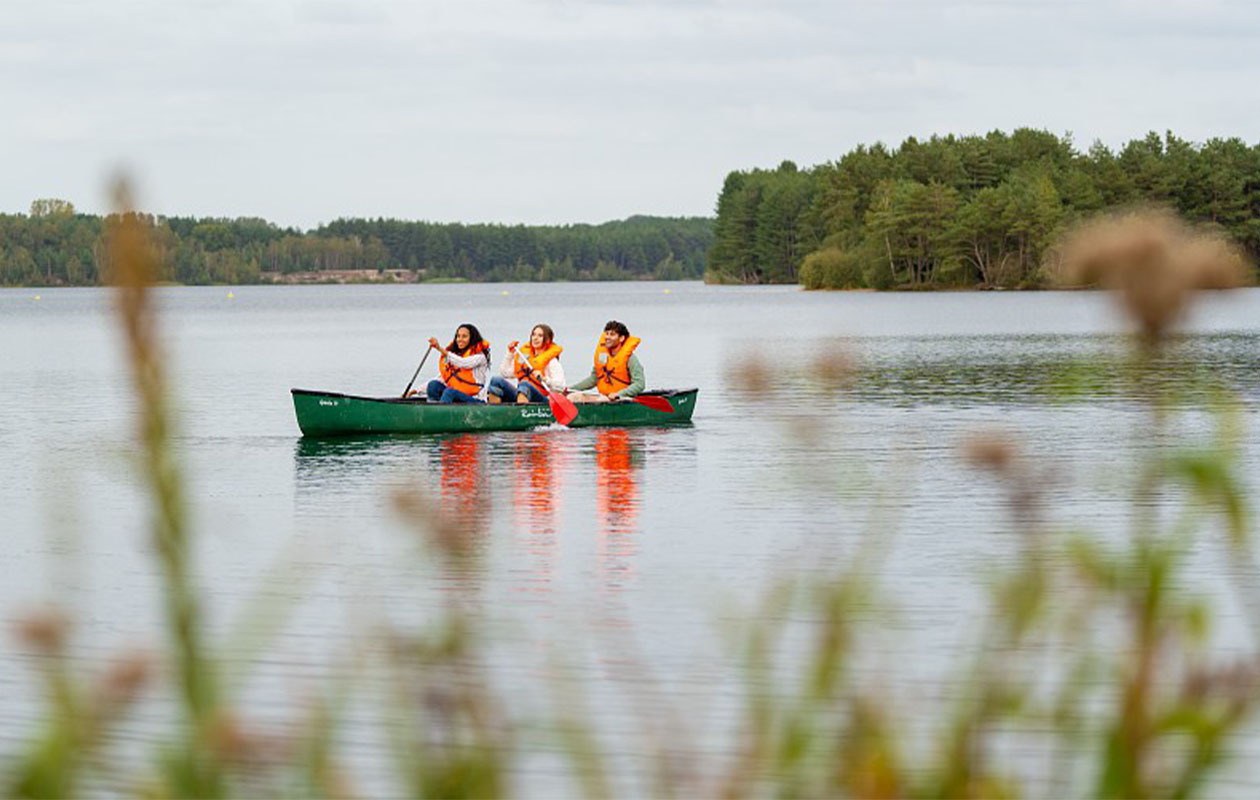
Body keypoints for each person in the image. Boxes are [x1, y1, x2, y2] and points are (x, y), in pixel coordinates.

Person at [565, 320, 644, 403]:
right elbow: (594, 379)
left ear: (621, 338)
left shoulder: (630, 359)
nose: (607, 337)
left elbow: (639, 384)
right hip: (604, 397)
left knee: (597, 400)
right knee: (572, 397)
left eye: (612, 335)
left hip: (623, 398)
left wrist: (619, 394)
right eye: (607, 334)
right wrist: (570, 389)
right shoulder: (603, 356)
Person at [488, 323, 566, 404]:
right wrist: (510, 354)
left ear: (547, 340)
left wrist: (545, 379)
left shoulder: (552, 362)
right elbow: (505, 373)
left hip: (542, 399)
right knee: (496, 381)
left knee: (524, 384)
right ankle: (494, 412)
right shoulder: (525, 358)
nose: (535, 338)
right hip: (522, 393)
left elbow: (561, 387)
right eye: (533, 335)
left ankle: (521, 413)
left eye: (540, 336)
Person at [424, 323, 491, 403]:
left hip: (475, 399)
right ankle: (433, 411)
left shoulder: (480, 357)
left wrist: (439, 348)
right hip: (456, 395)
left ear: (472, 338)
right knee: (433, 385)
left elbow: (463, 363)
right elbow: (441, 378)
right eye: (458, 336)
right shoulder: (455, 356)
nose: (460, 339)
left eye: (464, 336)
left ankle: (442, 413)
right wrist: (415, 391)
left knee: (449, 392)